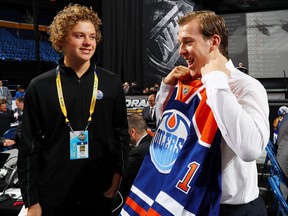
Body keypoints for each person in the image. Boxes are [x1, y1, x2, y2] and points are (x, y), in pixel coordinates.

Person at [121, 10, 269, 216]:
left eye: (188, 42)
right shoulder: (189, 83)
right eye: (180, 43)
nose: (181, 51)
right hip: (188, 204)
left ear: (214, 41)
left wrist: (216, 80)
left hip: (232, 209)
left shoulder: (246, 87)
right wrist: (165, 88)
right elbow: (169, 128)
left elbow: (250, 149)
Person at [17, 4, 130, 216]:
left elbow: (121, 134)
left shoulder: (111, 83)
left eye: (92, 37)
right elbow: (28, 147)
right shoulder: (40, 86)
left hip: (100, 192)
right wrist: (31, 201)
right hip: (54, 194)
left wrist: (118, 174)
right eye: (79, 36)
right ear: (61, 39)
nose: (88, 43)